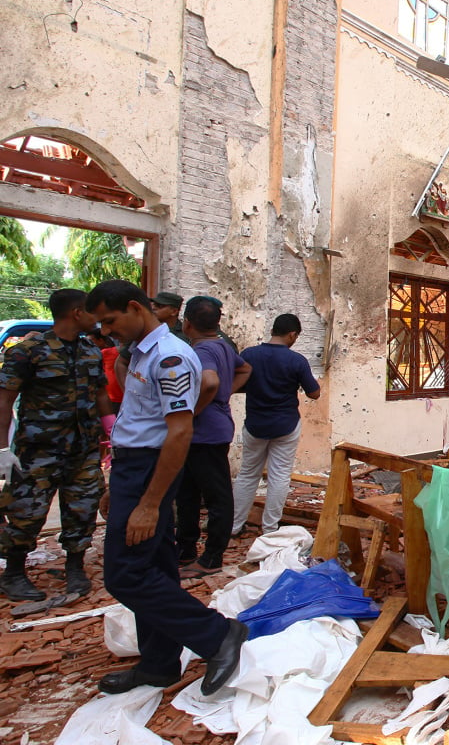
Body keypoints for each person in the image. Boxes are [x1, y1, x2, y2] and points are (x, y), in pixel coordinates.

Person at [85, 280, 246, 695]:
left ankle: (217, 634)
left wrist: (148, 503)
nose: (106, 330)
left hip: (148, 471)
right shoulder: (144, 352)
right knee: (153, 569)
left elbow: (178, 433)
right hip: (132, 469)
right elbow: (140, 421)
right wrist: (116, 484)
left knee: (124, 575)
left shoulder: (171, 357)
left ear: (136, 308)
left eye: (110, 320)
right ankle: (158, 664)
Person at [0, 290, 115, 601]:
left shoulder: (91, 351)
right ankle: (13, 572)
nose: (98, 317)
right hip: (38, 450)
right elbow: (4, 400)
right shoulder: (28, 352)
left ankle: (75, 567)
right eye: (93, 311)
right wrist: (2, 451)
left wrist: (112, 432)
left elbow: (101, 394)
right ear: (77, 312)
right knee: (27, 512)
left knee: (83, 508)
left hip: (84, 448)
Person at [175, 297, 251, 576]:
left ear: (187, 323)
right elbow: (245, 369)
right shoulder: (221, 345)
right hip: (209, 429)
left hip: (204, 431)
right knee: (188, 493)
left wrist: (193, 410)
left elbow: (209, 382)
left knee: (214, 496)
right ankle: (185, 549)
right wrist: (225, 394)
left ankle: (211, 557)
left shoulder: (203, 349)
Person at [230, 314, 321, 537]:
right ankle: (270, 528)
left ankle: (233, 525)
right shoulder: (296, 360)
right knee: (279, 475)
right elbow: (314, 393)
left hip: (255, 424)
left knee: (247, 474)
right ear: (292, 334)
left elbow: (237, 384)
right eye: (296, 337)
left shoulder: (249, 355)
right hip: (285, 424)